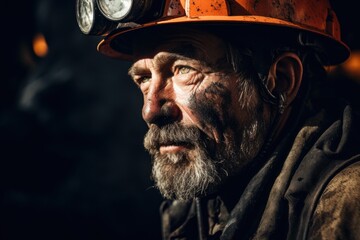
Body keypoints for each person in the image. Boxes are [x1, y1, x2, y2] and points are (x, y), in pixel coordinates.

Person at [76, 0, 360, 239]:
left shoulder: (344, 205)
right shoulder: (195, 209)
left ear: (280, 80)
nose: (151, 110)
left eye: (182, 69)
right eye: (144, 78)